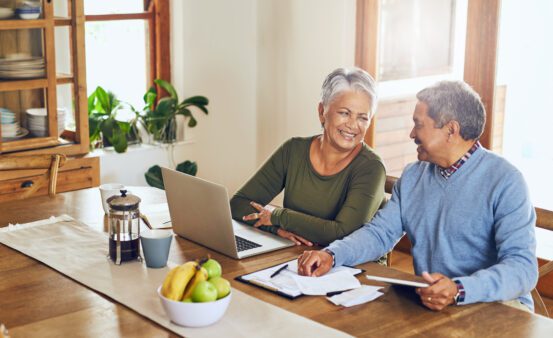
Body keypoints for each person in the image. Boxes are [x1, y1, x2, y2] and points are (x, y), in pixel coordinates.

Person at [297, 80, 538, 312]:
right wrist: (332, 254)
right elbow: (379, 233)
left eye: (419, 124)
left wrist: (458, 290)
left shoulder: (506, 181)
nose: (412, 133)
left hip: (497, 308)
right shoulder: (413, 176)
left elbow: (523, 269)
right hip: (432, 304)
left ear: (451, 130)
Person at [230, 67, 386, 248]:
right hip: (296, 256)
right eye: (344, 113)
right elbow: (238, 205)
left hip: (351, 266)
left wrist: (278, 216)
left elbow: (343, 233)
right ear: (322, 111)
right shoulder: (293, 150)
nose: (352, 125)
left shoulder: (371, 168)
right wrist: (277, 229)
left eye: (362, 118)